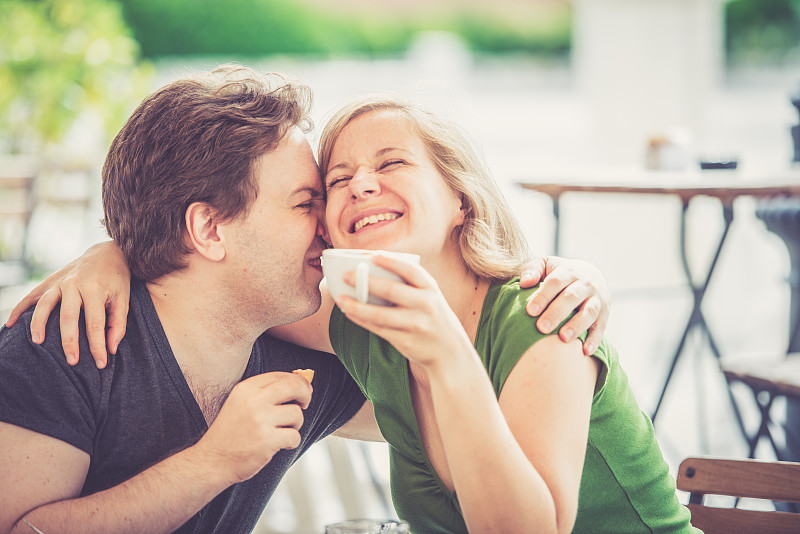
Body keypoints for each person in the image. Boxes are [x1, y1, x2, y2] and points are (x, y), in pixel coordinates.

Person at [0, 66, 611, 534]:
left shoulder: (305, 366)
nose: (330, 225)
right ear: (210, 230)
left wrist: (575, 277)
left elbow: (479, 409)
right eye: (306, 202)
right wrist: (212, 462)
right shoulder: (65, 339)